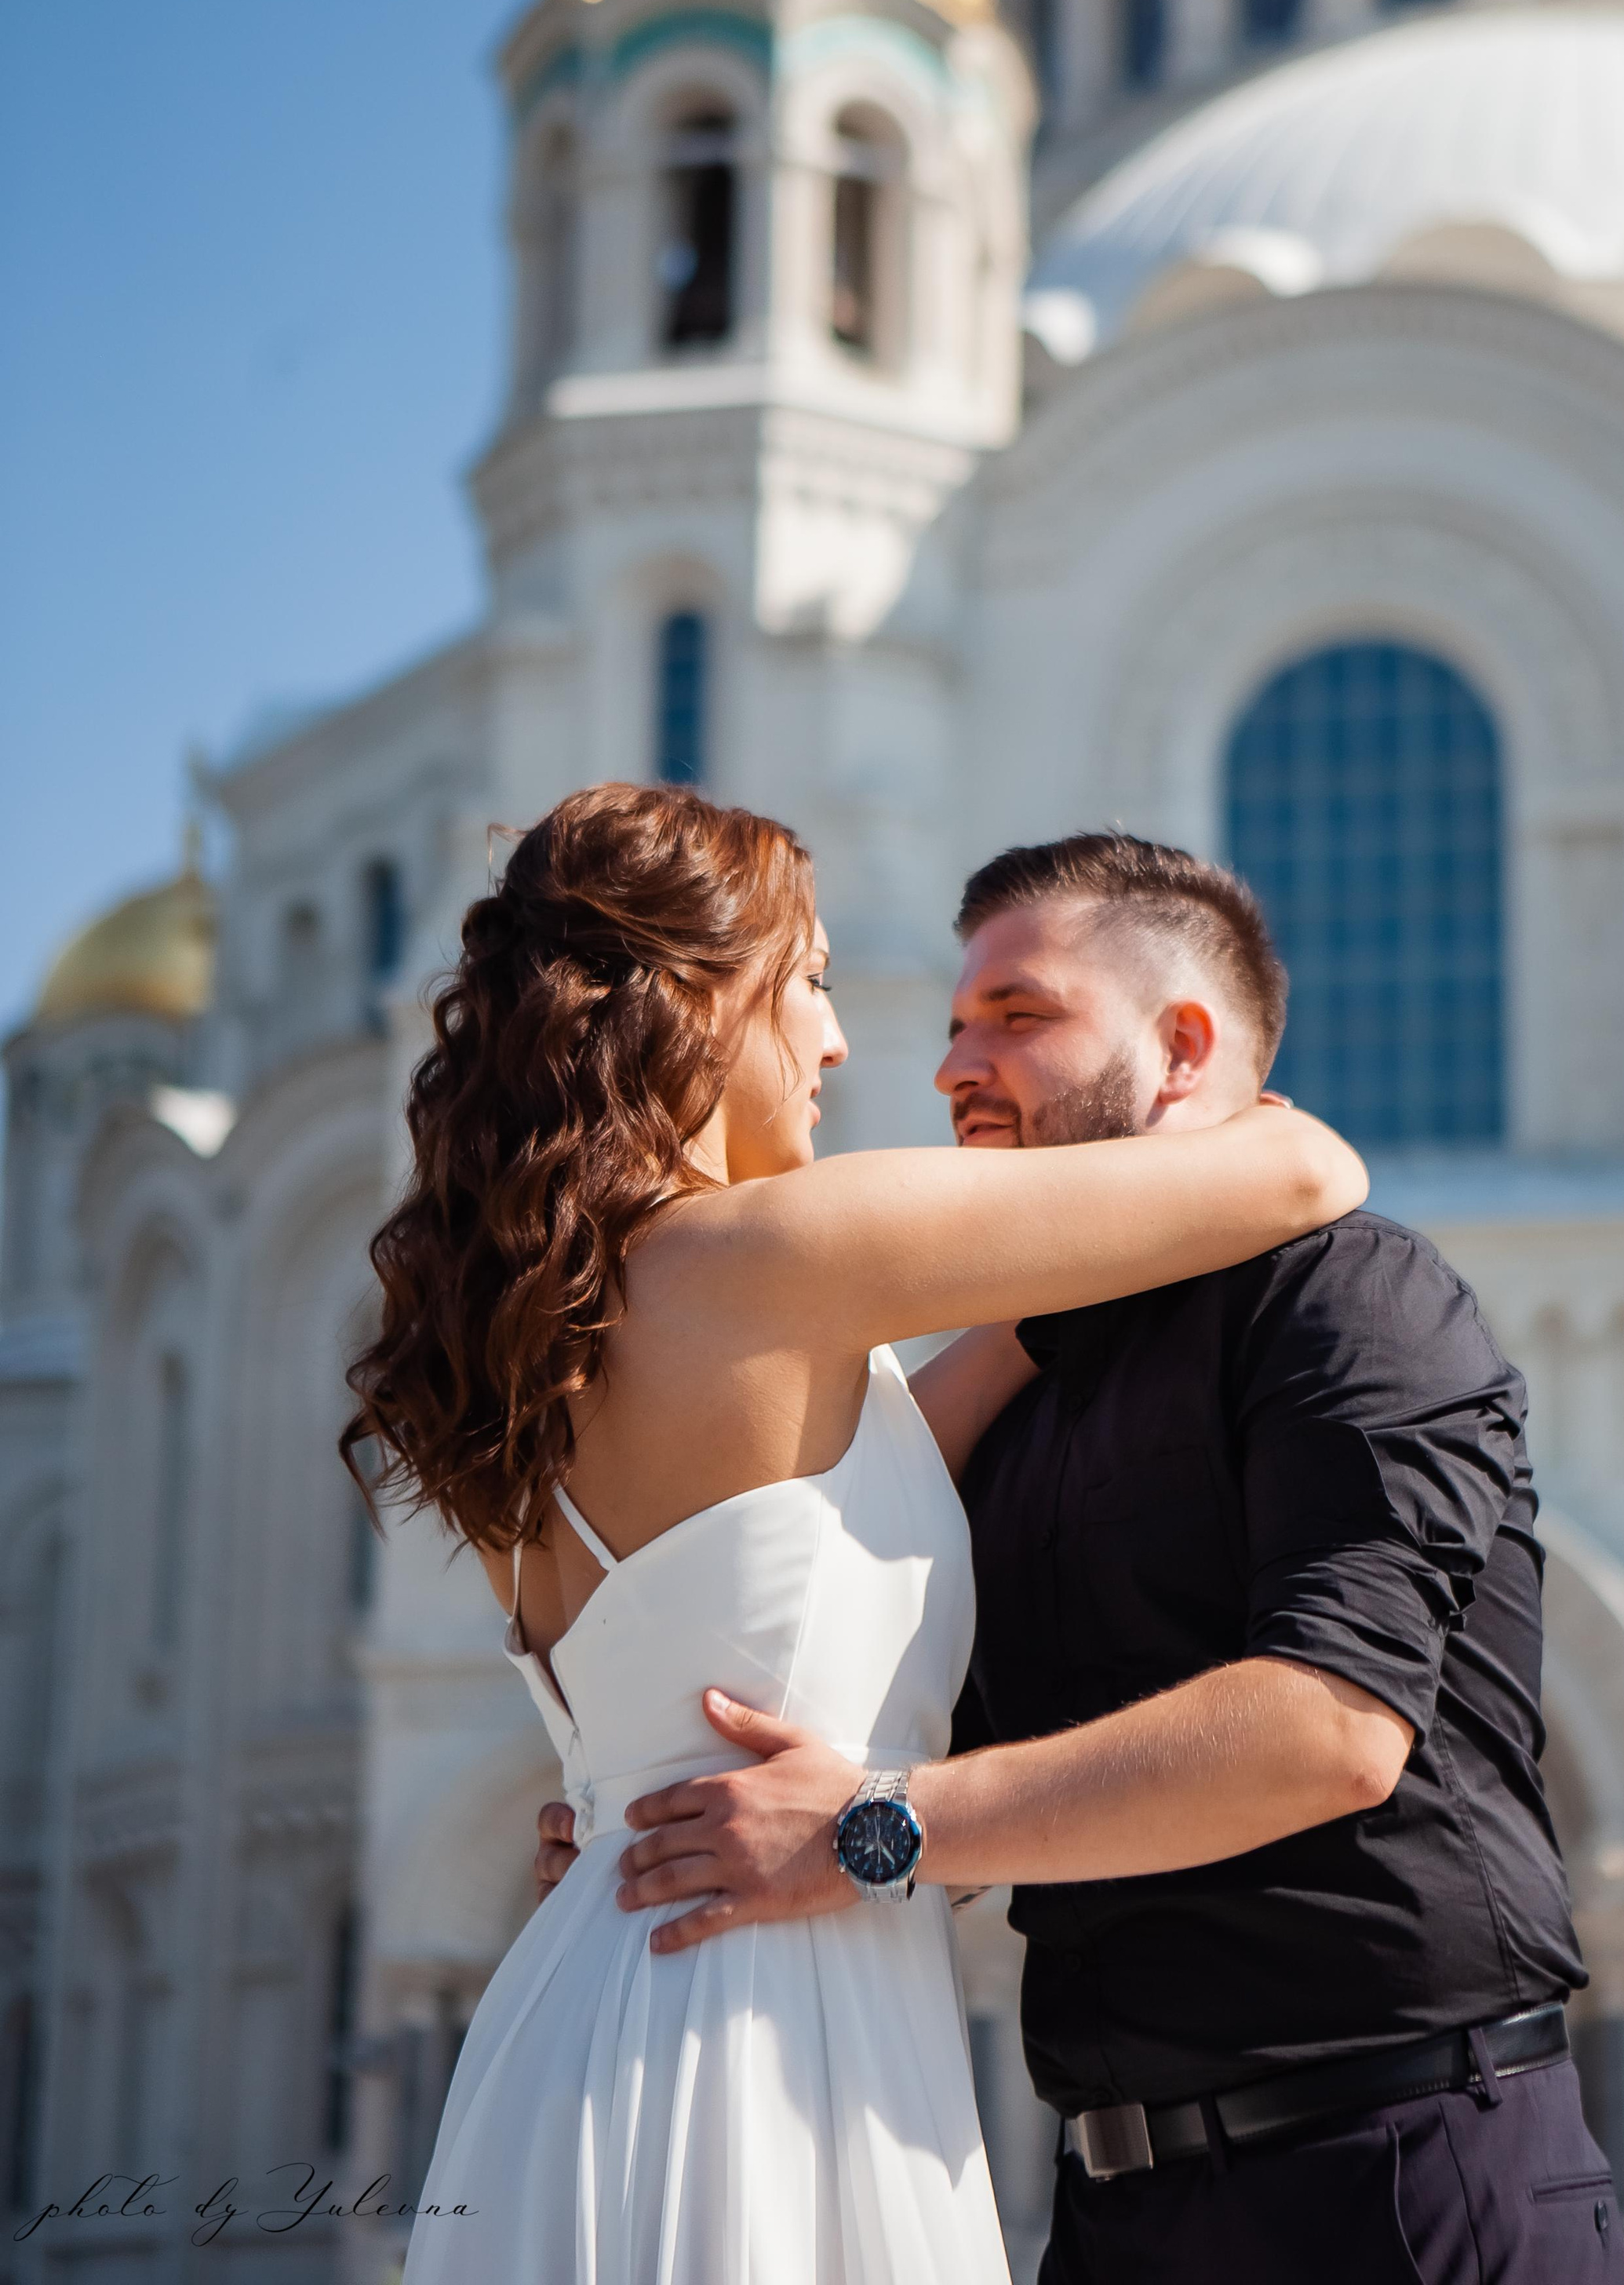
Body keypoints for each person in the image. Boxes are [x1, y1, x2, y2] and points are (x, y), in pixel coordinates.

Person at [547, 833, 1624, 2283]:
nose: (949, 1068)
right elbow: (906, 1732)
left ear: (1183, 1049)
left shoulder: (1354, 1299)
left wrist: (867, 1829)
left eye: (1018, 1017)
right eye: (952, 1025)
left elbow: (1330, 1731)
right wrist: (669, 1814)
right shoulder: (1014, 1384)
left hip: (1401, 2175)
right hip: (1110, 2208)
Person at [341, 785, 1367, 2285]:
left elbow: (848, 1495)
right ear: (691, 1002)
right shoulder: (771, 1257)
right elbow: (1304, 1172)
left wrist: (1028, 1324)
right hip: (762, 2031)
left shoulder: (554, 1337)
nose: (834, 1041)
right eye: (808, 982)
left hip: (590, 2001)